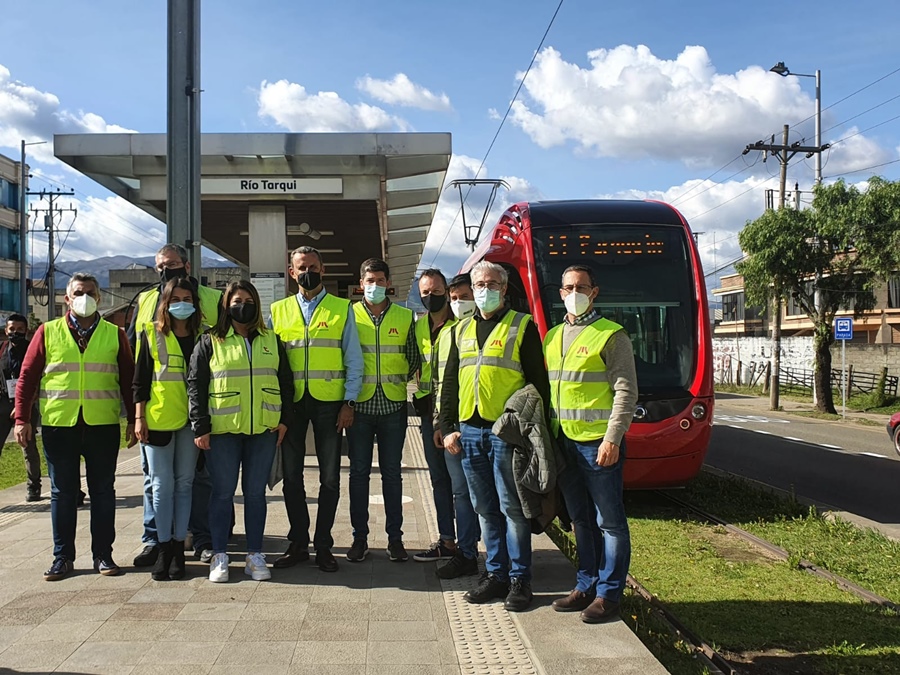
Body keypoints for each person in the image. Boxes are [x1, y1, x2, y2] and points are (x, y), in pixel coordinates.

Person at [440, 261, 550, 612]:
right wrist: (447, 426)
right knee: (485, 508)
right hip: (469, 429)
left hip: (507, 432)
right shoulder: (461, 330)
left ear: (504, 289)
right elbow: (451, 382)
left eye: (492, 284)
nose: (484, 290)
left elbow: (538, 383)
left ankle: (520, 579)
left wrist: (533, 431)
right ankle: (496, 573)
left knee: (512, 507)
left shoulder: (522, 325)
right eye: (479, 285)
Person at [15, 273, 137, 581]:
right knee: (63, 493)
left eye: (91, 293)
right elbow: (27, 378)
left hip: (102, 424)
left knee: (103, 492)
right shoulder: (47, 331)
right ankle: (62, 557)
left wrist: (135, 419)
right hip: (60, 425)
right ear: (67, 299)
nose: (85, 297)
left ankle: (103, 555)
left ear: (99, 298)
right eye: (79, 292)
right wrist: (21, 419)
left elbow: (128, 380)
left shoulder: (114, 333)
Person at [546, 265, 637, 623]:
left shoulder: (611, 335)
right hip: (565, 442)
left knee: (610, 522)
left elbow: (625, 391)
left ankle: (610, 594)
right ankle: (586, 585)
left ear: (594, 292)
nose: (574, 293)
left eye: (581, 287)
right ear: (560, 293)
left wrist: (613, 437)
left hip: (598, 444)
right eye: (568, 287)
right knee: (580, 520)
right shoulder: (552, 337)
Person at [188, 279, 292, 583]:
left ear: (256, 305)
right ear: (225, 306)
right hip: (222, 431)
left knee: (256, 495)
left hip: (263, 428)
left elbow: (285, 382)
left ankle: (254, 555)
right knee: (221, 494)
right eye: (236, 301)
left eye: (247, 300)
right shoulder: (210, 341)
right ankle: (219, 555)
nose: (242, 306)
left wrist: (284, 419)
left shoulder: (271, 340)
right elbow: (196, 384)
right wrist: (201, 425)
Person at [270, 246, 362, 573]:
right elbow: (272, 363)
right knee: (291, 478)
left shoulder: (342, 308)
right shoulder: (277, 310)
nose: (307, 271)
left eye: (312, 266)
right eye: (301, 267)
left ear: (322, 269)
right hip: (292, 405)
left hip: (330, 403)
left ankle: (323, 544)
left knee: (331, 479)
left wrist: (349, 401)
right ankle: (297, 542)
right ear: (291, 272)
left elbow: (353, 357)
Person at [130, 243, 222, 569]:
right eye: (160, 266)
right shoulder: (144, 301)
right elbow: (136, 361)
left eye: (170, 264)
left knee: (199, 479)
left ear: (185, 264)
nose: (165, 271)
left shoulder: (212, 299)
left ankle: (202, 538)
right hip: (158, 413)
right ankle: (155, 540)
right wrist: (135, 415)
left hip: (200, 413)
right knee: (154, 480)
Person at [346, 257, 419, 563]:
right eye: (369, 280)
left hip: (393, 405)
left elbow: (414, 357)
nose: (374, 285)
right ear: (360, 284)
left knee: (392, 474)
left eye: (379, 280)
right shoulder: (347, 315)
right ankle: (359, 539)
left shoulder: (405, 317)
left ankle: (395, 539)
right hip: (359, 406)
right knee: (358, 473)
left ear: (389, 283)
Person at [133, 278, 204, 580]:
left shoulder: (204, 336)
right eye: (176, 298)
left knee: (185, 484)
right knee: (161, 487)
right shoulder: (151, 333)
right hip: (158, 420)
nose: (182, 303)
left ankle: (179, 546)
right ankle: (163, 548)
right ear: (165, 302)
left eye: (188, 298)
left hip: (192, 422)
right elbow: (140, 380)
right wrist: (139, 418)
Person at [412, 271, 480, 579]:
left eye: (437, 291)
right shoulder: (417, 328)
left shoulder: (462, 326)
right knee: (439, 480)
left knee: (461, 486)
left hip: (455, 416)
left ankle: (469, 547)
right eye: (425, 292)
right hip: (429, 413)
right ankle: (447, 540)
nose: (431, 297)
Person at [0, 314, 42, 501]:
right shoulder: (2, 350)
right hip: (4, 403)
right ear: (6, 331)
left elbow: (37, 381)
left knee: (28, 446)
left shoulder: (32, 351)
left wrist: (24, 405)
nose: (15, 333)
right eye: (12, 330)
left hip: (27, 405)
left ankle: (34, 486)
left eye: (20, 330)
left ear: (26, 331)